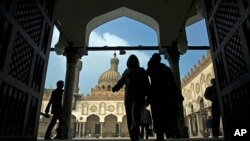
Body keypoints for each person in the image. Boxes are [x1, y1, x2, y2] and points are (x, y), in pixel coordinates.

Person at [112, 54, 150, 141]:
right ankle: (133, 136)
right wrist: (115, 88)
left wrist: (148, 97)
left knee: (135, 116)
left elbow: (147, 85)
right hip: (129, 99)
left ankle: (135, 135)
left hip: (138, 98)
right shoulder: (127, 71)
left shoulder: (141, 71)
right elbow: (121, 82)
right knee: (130, 118)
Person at [147, 53, 184, 141]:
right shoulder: (166, 68)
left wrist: (148, 98)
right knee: (168, 114)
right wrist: (177, 95)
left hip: (156, 96)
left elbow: (148, 78)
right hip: (167, 95)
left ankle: (160, 135)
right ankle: (172, 132)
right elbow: (173, 83)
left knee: (157, 116)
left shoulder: (152, 67)